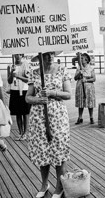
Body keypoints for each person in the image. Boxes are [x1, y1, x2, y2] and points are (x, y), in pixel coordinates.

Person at [25, 51, 72, 198]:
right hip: (39, 117)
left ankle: (60, 186)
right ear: (40, 57)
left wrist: (52, 92)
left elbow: (68, 94)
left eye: (52, 54)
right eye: (46, 55)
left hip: (57, 115)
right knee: (42, 149)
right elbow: (28, 97)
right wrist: (39, 99)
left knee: (59, 149)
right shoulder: (35, 73)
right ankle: (44, 184)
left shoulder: (62, 70)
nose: (50, 57)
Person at [7, 54, 30, 140]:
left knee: (25, 112)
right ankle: (20, 132)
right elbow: (9, 81)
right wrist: (11, 73)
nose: (18, 56)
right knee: (18, 113)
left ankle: (25, 132)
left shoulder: (26, 65)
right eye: (16, 55)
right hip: (14, 90)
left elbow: (28, 79)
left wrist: (19, 76)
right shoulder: (10, 66)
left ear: (22, 55)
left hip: (24, 90)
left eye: (20, 55)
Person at [74, 52, 96, 124]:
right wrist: (79, 73)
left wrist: (86, 80)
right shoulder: (79, 68)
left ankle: (91, 117)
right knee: (81, 102)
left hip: (89, 87)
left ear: (86, 60)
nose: (81, 60)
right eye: (80, 58)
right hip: (80, 86)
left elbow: (94, 79)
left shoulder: (91, 68)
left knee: (90, 102)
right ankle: (80, 117)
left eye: (82, 58)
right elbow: (75, 78)